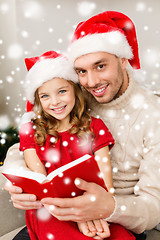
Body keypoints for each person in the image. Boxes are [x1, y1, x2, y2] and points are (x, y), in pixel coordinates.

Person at [4, 11, 160, 240]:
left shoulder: (153, 114)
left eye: (100, 66)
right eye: (82, 71)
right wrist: (20, 181)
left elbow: (153, 206)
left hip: (115, 219)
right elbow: (25, 144)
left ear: (124, 60)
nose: (92, 82)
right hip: (59, 209)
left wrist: (107, 208)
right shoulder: (73, 99)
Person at [9, 50, 135, 240]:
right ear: (37, 100)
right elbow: (42, 186)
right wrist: (76, 217)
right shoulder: (30, 131)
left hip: (91, 204)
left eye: (62, 91)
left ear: (75, 91)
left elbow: (106, 184)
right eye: (45, 96)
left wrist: (91, 214)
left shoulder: (95, 127)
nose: (55, 102)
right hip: (51, 209)